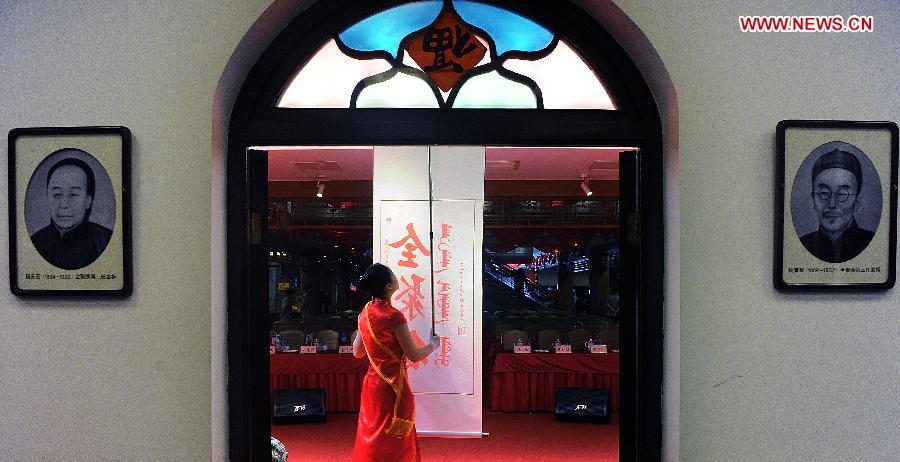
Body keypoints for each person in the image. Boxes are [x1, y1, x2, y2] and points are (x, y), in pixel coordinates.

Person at [351, 263, 439, 462]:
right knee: (395, 437)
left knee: (372, 434)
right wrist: (433, 345)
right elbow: (414, 355)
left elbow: (357, 352)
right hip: (393, 387)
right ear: (388, 286)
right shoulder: (393, 316)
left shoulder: (364, 313)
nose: (396, 277)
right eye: (393, 275)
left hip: (372, 385)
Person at [29, 156, 113, 270]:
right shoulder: (35, 242)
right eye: (57, 195)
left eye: (73, 195)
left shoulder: (105, 241)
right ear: (47, 197)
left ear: (88, 200)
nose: (63, 204)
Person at [799, 148, 875, 263]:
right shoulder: (802, 244)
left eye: (842, 194)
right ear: (813, 199)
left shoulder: (872, 243)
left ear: (857, 203)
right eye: (824, 193)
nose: (832, 204)